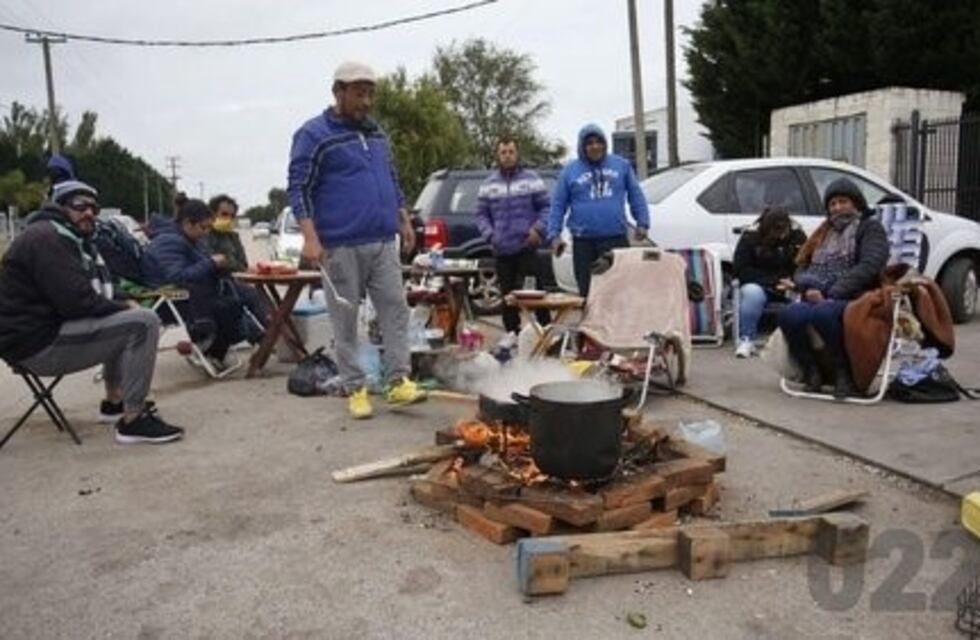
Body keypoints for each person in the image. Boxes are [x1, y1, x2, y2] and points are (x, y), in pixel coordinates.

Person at [287, 60, 426, 419]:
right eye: (359, 94)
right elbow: (299, 187)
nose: (366, 102)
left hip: (382, 239)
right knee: (345, 319)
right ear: (338, 92)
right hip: (339, 243)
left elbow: (391, 179)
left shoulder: (377, 134)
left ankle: (398, 382)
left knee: (395, 310)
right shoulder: (314, 135)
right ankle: (355, 388)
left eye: (370, 94)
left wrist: (404, 219)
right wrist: (310, 238)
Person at [0, 180, 184, 444]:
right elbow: (77, 302)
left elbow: (97, 290)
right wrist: (125, 307)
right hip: (36, 346)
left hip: (41, 335)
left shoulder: (71, 238)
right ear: (60, 207)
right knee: (143, 323)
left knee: (126, 317)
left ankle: (114, 403)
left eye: (93, 208)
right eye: (79, 205)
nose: (89, 212)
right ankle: (133, 420)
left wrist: (126, 300)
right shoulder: (46, 238)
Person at [778, 178, 889, 399]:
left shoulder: (870, 227)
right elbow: (802, 266)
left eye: (842, 201)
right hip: (820, 294)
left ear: (855, 202)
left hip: (857, 295)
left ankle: (843, 373)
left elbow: (870, 265)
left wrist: (830, 292)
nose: (837, 208)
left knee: (823, 312)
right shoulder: (823, 232)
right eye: (832, 204)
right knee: (789, 314)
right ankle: (812, 371)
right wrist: (806, 286)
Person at [143, 198, 251, 369]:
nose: (207, 232)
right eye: (203, 227)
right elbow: (176, 276)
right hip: (174, 300)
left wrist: (219, 267)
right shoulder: (168, 241)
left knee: (240, 297)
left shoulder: (191, 239)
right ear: (187, 223)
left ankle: (225, 347)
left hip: (192, 297)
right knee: (232, 305)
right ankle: (211, 349)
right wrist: (211, 263)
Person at [546, 123, 650, 297]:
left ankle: (617, 325)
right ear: (582, 146)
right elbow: (558, 205)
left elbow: (636, 196)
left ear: (604, 143)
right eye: (589, 143)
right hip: (584, 242)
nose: (595, 146)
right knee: (588, 293)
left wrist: (643, 222)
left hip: (615, 239)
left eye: (598, 142)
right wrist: (554, 235)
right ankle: (590, 325)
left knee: (617, 293)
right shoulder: (569, 171)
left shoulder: (621, 165)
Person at [475, 136, 552, 348]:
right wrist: (490, 235)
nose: (507, 156)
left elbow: (546, 208)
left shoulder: (532, 179)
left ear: (517, 154)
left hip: (527, 246)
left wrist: (538, 229)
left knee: (536, 291)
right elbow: (481, 215)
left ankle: (546, 331)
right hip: (502, 249)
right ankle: (512, 333)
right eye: (503, 152)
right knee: (508, 294)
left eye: (511, 152)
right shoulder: (488, 185)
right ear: (497, 155)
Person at [732, 206, 807, 358]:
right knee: (752, 294)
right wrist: (773, 282)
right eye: (775, 231)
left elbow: (806, 264)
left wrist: (794, 282)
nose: (780, 236)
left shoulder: (798, 236)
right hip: (760, 285)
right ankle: (747, 339)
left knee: (803, 298)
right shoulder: (750, 238)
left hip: (790, 285)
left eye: (783, 231)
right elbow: (741, 269)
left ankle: (798, 343)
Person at [206, 194, 249, 272]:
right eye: (224, 214)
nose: (228, 219)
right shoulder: (204, 235)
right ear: (212, 214)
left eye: (232, 216)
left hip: (235, 281)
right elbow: (209, 263)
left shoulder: (234, 237)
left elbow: (244, 265)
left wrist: (226, 263)